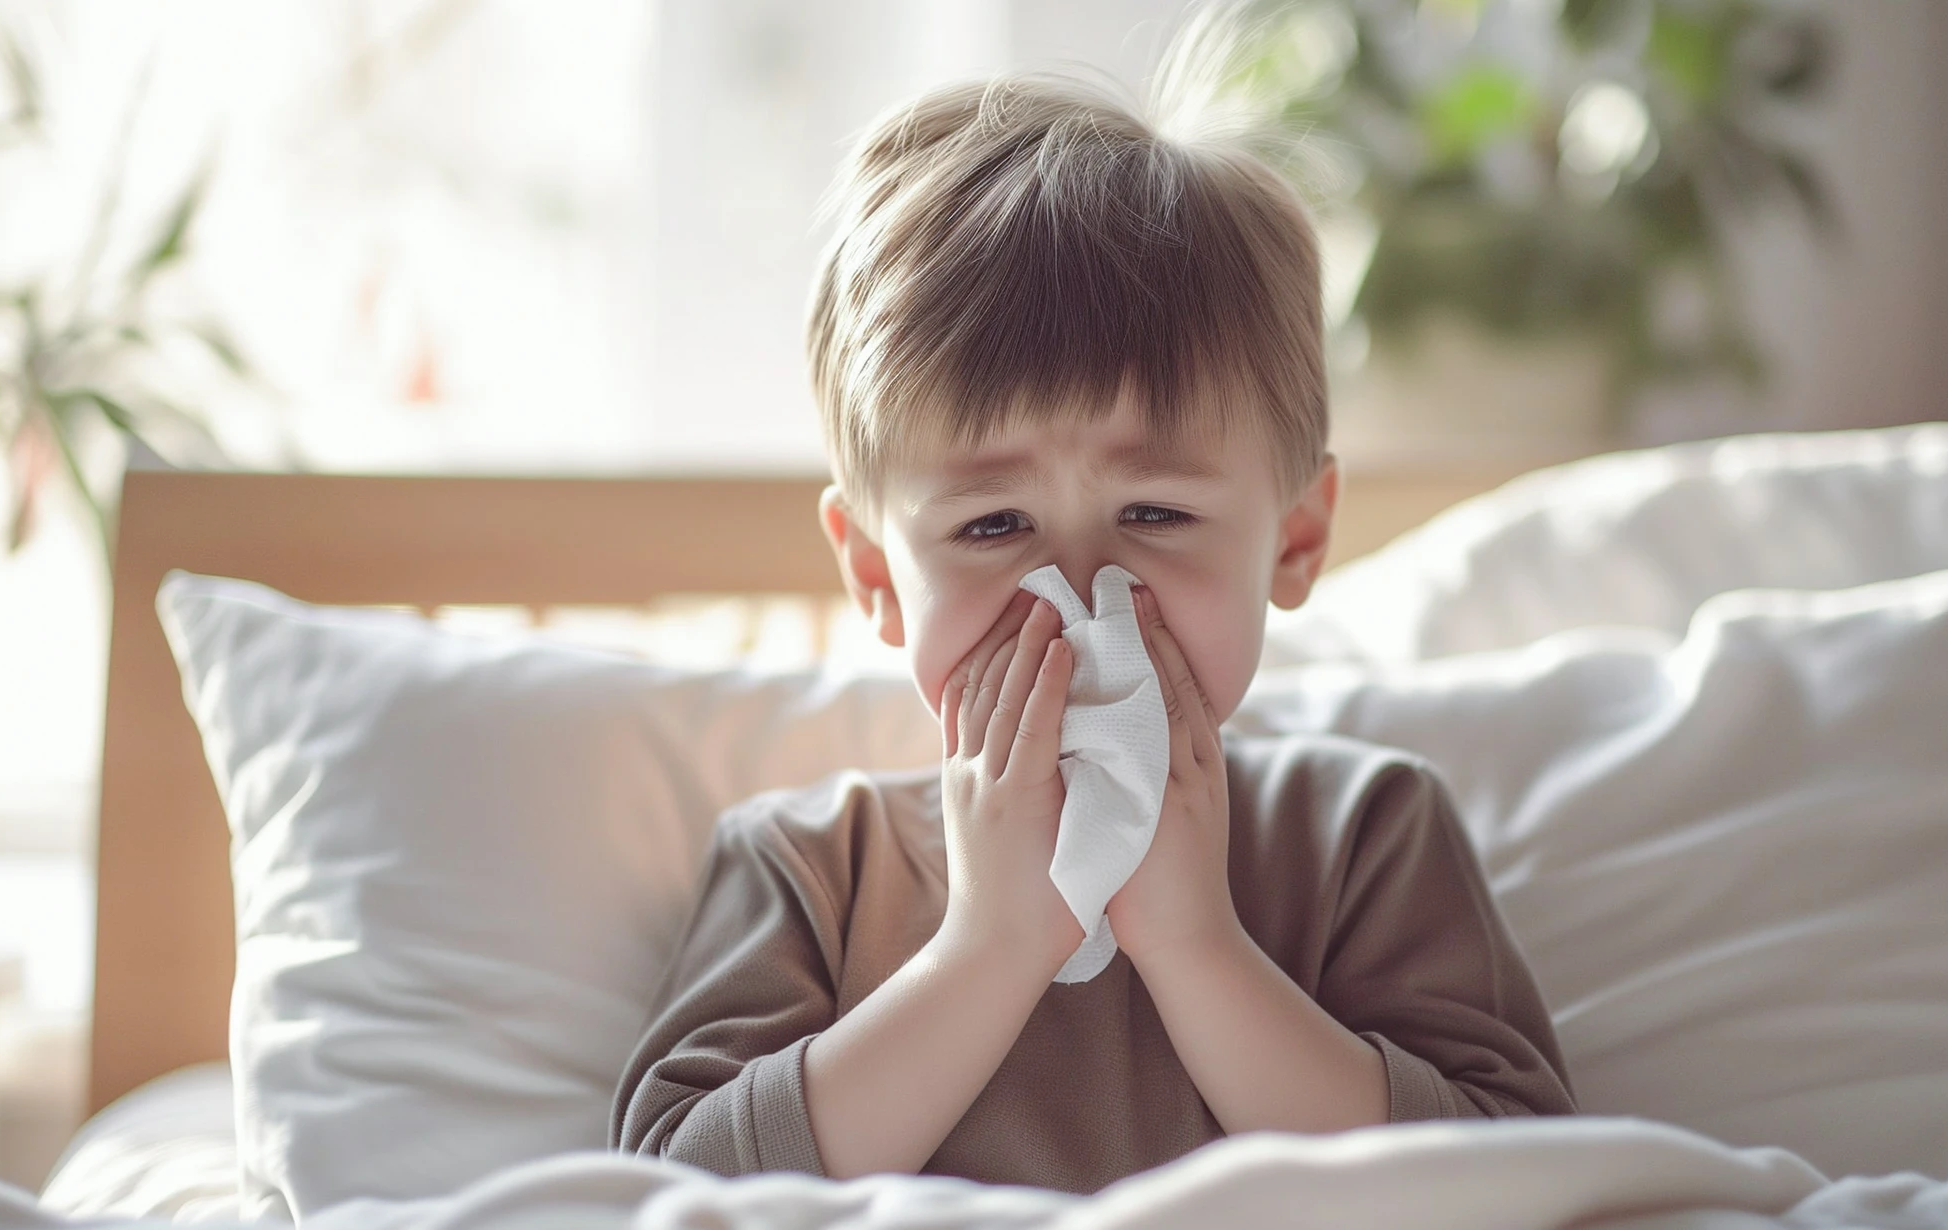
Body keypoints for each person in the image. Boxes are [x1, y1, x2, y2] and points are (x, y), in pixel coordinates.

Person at [612, 47, 1573, 1196]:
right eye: (991, 526)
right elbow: (671, 1188)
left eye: (1155, 512)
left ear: (1295, 539)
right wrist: (991, 947)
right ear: (874, 574)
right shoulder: (816, 870)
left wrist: (1193, 943)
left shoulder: (1362, 832)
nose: (1077, 604)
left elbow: (1508, 1175)